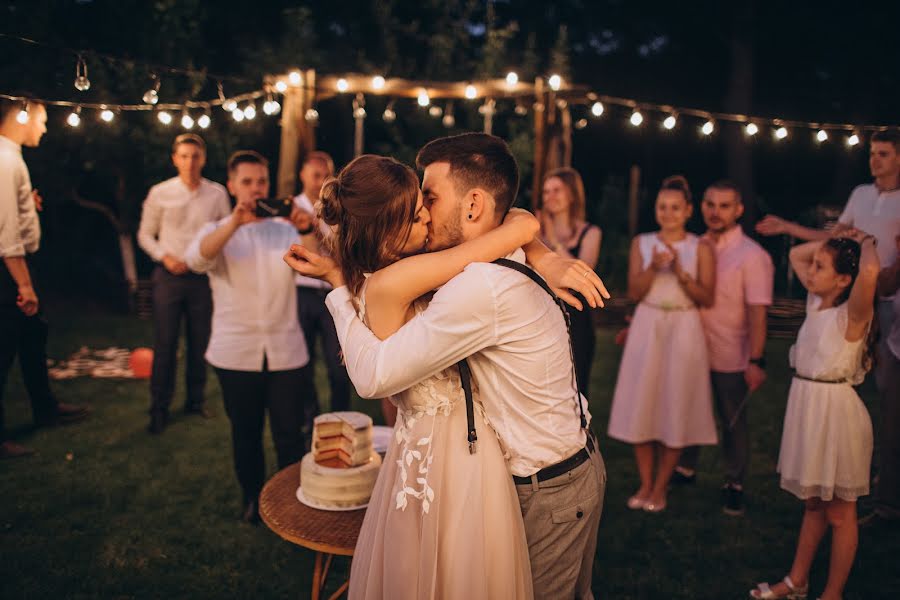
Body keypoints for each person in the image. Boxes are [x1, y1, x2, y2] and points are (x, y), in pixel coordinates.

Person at [287, 134, 609, 599]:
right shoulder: (462, 267)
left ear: (475, 205)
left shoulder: (477, 284)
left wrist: (538, 246)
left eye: (430, 200)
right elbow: (375, 373)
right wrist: (533, 242)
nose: (426, 213)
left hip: (546, 484)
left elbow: (514, 224)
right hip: (540, 467)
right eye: (417, 208)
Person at [756, 129, 900, 527]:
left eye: (884, 154)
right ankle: (850, 475)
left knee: (889, 402)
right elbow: (831, 240)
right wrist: (789, 228)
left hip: (888, 303)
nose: (876, 161)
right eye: (873, 153)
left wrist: (882, 279)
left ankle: (883, 493)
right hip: (848, 298)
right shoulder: (861, 194)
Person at [185, 150, 315, 523]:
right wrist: (235, 224)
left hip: (286, 350)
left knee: (289, 434)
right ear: (231, 185)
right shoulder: (216, 231)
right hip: (235, 352)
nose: (256, 189)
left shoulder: (287, 229)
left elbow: (321, 264)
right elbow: (197, 260)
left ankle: (290, 503)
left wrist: (307, 228)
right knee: (246, 432)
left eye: (261, 181)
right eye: (247, 182)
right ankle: (253, 499)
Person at [750, 232, 878, 600]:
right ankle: (796, 581)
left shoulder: (852, 315)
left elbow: (868, 271)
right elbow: (795, 254)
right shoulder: (816, 303)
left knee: (840, 514)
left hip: (835, 416)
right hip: (808, 410)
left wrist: (866, 240)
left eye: (821, 267)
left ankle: (832, 594)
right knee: (814, 504)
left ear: (843, 280)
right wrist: (834, 238)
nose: (811, 271)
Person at [607, 175, 717, 513]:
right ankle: (644, 481)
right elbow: (635, 293)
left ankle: (661, 486)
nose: (668, 213)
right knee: (643, 400)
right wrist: (653, 267)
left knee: (675, 402)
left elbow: (706, 297)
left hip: (684, 326)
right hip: (648, 324)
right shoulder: (643, 243)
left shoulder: (701, 247)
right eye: (662, 207)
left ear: (687, 211)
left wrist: (682, 273)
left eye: (675, 208)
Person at [673, 180, 774, 516]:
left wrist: (756, 360)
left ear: (739, 210)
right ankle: (685, 467)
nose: (716, 212)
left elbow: (758, 314)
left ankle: (735, 483)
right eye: (710, 204)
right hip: (692, 345)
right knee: (689, 411)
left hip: (730, 352)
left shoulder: (752, 256)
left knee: (732, 420)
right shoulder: (692, 245)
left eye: (725, 206)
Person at [0, 97, 89, 459]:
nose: (45, 127)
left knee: (34, 336)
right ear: (22, 115)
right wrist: (23, 284)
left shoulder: (11, 157)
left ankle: (45, 407)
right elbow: (6, 233)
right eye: (42, 119)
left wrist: (27, 204)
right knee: (3, 351)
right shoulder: (6, 161)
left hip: (14, 264)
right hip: (7, 270)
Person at [137, 134, 231, 434]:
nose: (190, 162)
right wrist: (164, 258)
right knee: (165, 343)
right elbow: (144, 235)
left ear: (203, 159)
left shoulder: (216, 195)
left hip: (202, 278)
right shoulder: (160, 193)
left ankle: (195, 399)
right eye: (184, 156)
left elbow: (227, 233)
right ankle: (159, 408)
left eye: (195, 156)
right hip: (168, 276)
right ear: (175, 159)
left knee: (199, 342)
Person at [292, 152, 353, 428]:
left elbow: (340, 253)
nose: (320, 181)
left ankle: (341, 418)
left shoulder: (337, 211)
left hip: (332, 291)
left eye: (325, 175)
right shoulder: (289, 209)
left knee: (338, 362)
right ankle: (309, 418)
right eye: (315, 175)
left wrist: (316, 226)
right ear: (302, 175)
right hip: (301, 293)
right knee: (303, 360)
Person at [540, 167, 602, 397]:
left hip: (576, 318)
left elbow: (581, 274)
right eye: (546, 192)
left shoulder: (591, 232)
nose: (550, 197)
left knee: (577, 386)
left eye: (557, 190)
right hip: (543, 314)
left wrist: (554, 241)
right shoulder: (534, 233)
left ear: (572, 195)